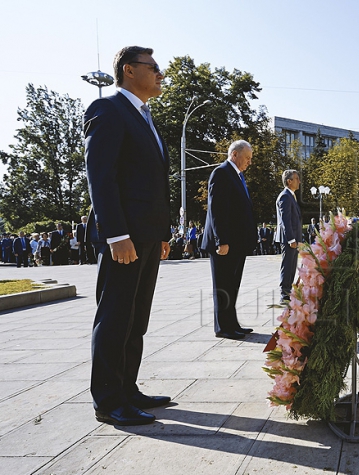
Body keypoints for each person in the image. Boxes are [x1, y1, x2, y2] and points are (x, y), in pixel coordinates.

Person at [84, 45, 172, 426]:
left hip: (149, 236)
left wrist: (164, 233)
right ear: (130, 70)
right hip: (125, 237)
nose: (160, 74)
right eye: (154, 68)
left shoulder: (146, 116)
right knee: (116, 316)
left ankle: (128, 389)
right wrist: (116, 233)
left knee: (137, 317)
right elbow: (100, 177)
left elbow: (153, 183)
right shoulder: (108, 109)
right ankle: (108, 399)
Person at [201, 140, 257, 340]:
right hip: (224, 244)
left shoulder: (237, 175)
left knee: (232, 285)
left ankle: (232, 324)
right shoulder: (221, 173)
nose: (250, 162)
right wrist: (221, 240)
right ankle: (223, 327)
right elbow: (217, 210)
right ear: (235, 154)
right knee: (223, 286)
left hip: (236, 243)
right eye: (247, 158)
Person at [274, 169, 302, 303]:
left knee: (292, 266)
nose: (299, 181)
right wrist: (291, 239)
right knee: (287, 266)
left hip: (293, 239)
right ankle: (284, 294)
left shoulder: (291, 195)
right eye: (297, 179)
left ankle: (288, 292)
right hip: (288, 239)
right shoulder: (285, 196)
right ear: (289, 181)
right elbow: (286, 220)